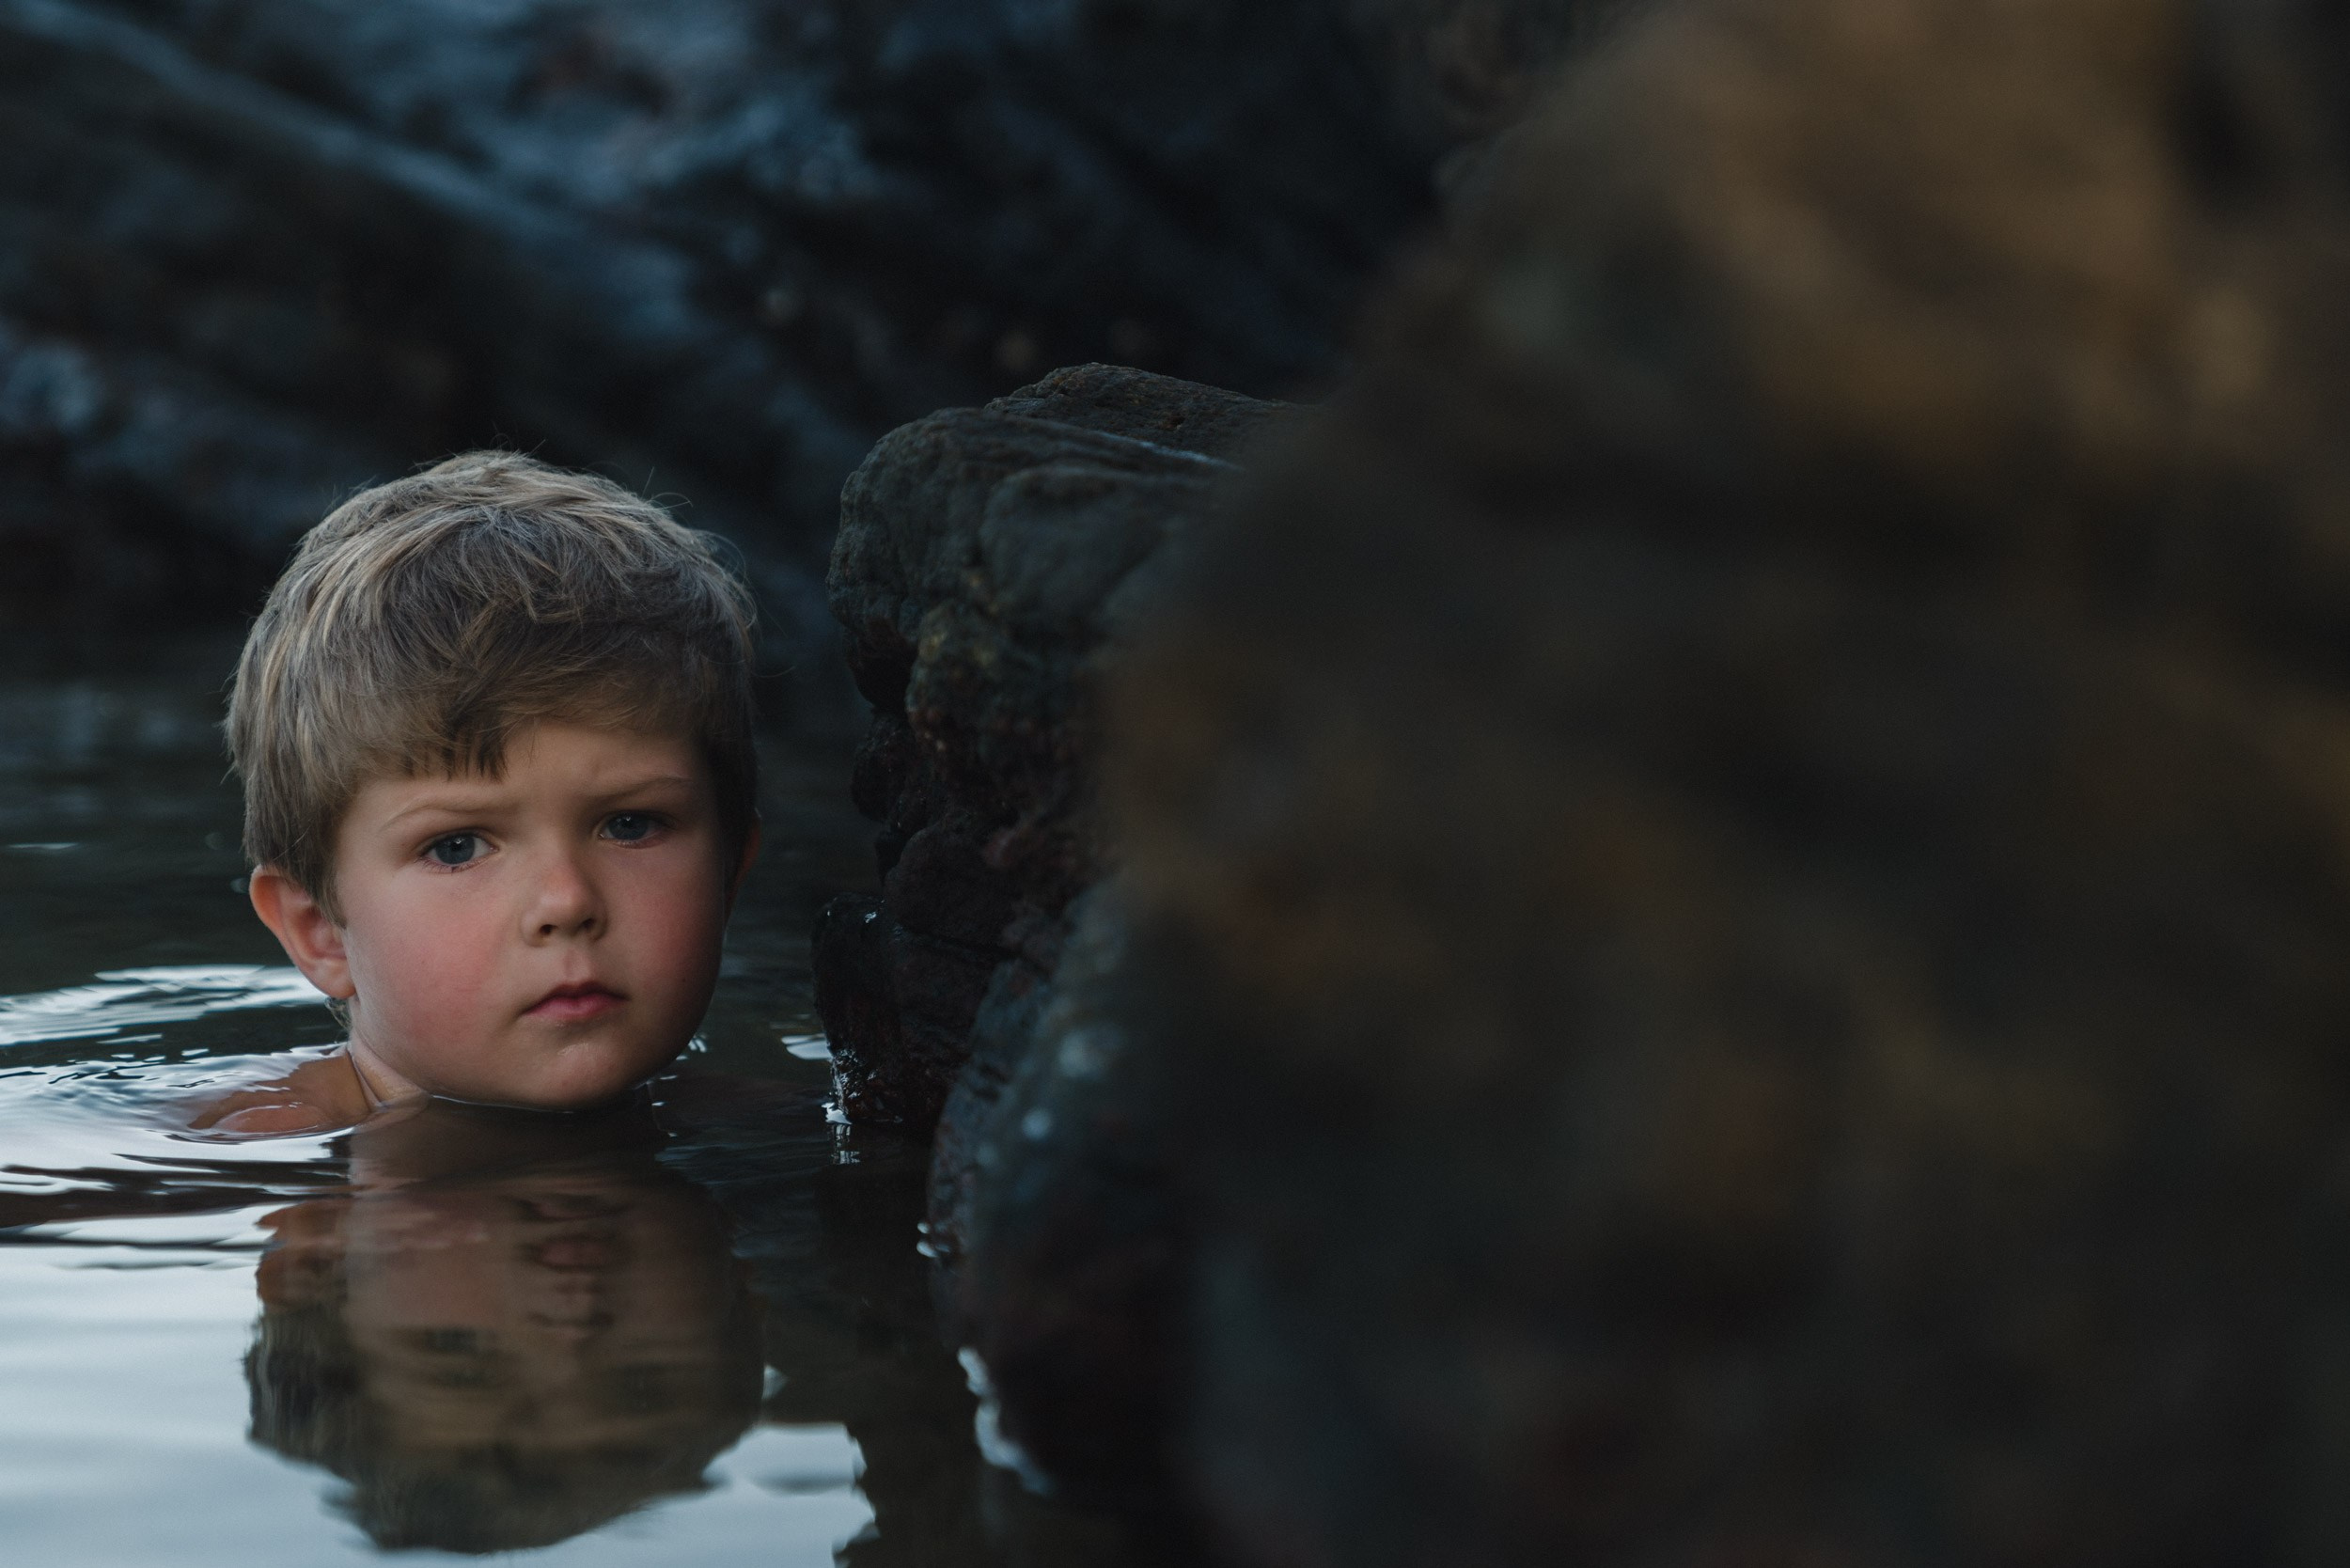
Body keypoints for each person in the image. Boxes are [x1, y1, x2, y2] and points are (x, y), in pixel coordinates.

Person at [194, 451, 761, 1136]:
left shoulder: (774, 1123)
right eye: (457, 847)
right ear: (320, 931)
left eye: (631, 826)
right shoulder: (237, 1148)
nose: (566, 902)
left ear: (729, 876)